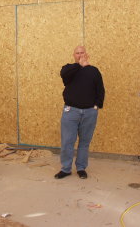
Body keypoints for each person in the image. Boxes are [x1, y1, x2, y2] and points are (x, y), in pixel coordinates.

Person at [55, 46, 105, 179]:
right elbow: (64, 76)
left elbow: (100, 89)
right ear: (74, 55)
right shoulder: (69, 68)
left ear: (87, 54)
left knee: (84, 142)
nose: (80, 55)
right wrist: (80, 65)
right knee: (67, 141)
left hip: (89, 112)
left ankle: (81, 168)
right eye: (77, 53)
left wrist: (97, 106)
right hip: (71, 111)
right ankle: (65, 169)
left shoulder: (94, 71)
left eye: (82, 53)